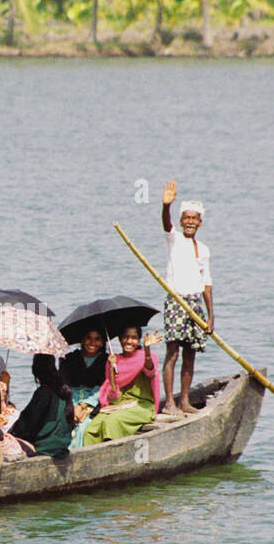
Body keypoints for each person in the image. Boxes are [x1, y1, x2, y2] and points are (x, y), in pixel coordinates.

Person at [160, 180, 214, 416]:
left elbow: (207, 283)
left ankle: (184, 401)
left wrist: (211, 317)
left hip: (194, 303)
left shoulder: (203, 249)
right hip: (176, 300)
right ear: (182, 222)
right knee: (172, 352)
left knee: (190, 354)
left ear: (200, 223)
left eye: (194, 219)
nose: (190, 222)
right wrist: (166, 206)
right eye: (187, 218)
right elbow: (166, 224)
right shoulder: (174, 239)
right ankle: (169, 402)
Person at [82, 327, 162, 445]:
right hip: (119, 405)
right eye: (125, 337)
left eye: (134, 338)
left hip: (142, 406)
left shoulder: (147, 357)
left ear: (139, 340)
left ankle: (112, 455)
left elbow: (150, 371)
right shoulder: (114, 360)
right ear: (120, 339)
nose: (129, 341)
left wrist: (147, 349)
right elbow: (114, 397)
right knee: (91, 428)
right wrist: (112, 369)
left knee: (112, 422)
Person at [10, 354, 76, 458]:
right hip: (61, 445)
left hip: (45, 447)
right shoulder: (64, 390)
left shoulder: (44, 392)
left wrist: (12, 431)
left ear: (35, 370)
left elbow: (28, 424)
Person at [59, 327, 109, 448]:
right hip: (71, 399)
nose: (92, 343)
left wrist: (84, 405)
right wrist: (72, 407)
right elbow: (63, 385)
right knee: (62, 424)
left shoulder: (107, 360)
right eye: (88, 338)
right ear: (82, 340)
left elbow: (104, 387)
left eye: (97, 339)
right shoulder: (69, 358)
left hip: (94, 401)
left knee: (83, 427)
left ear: (102, 342)